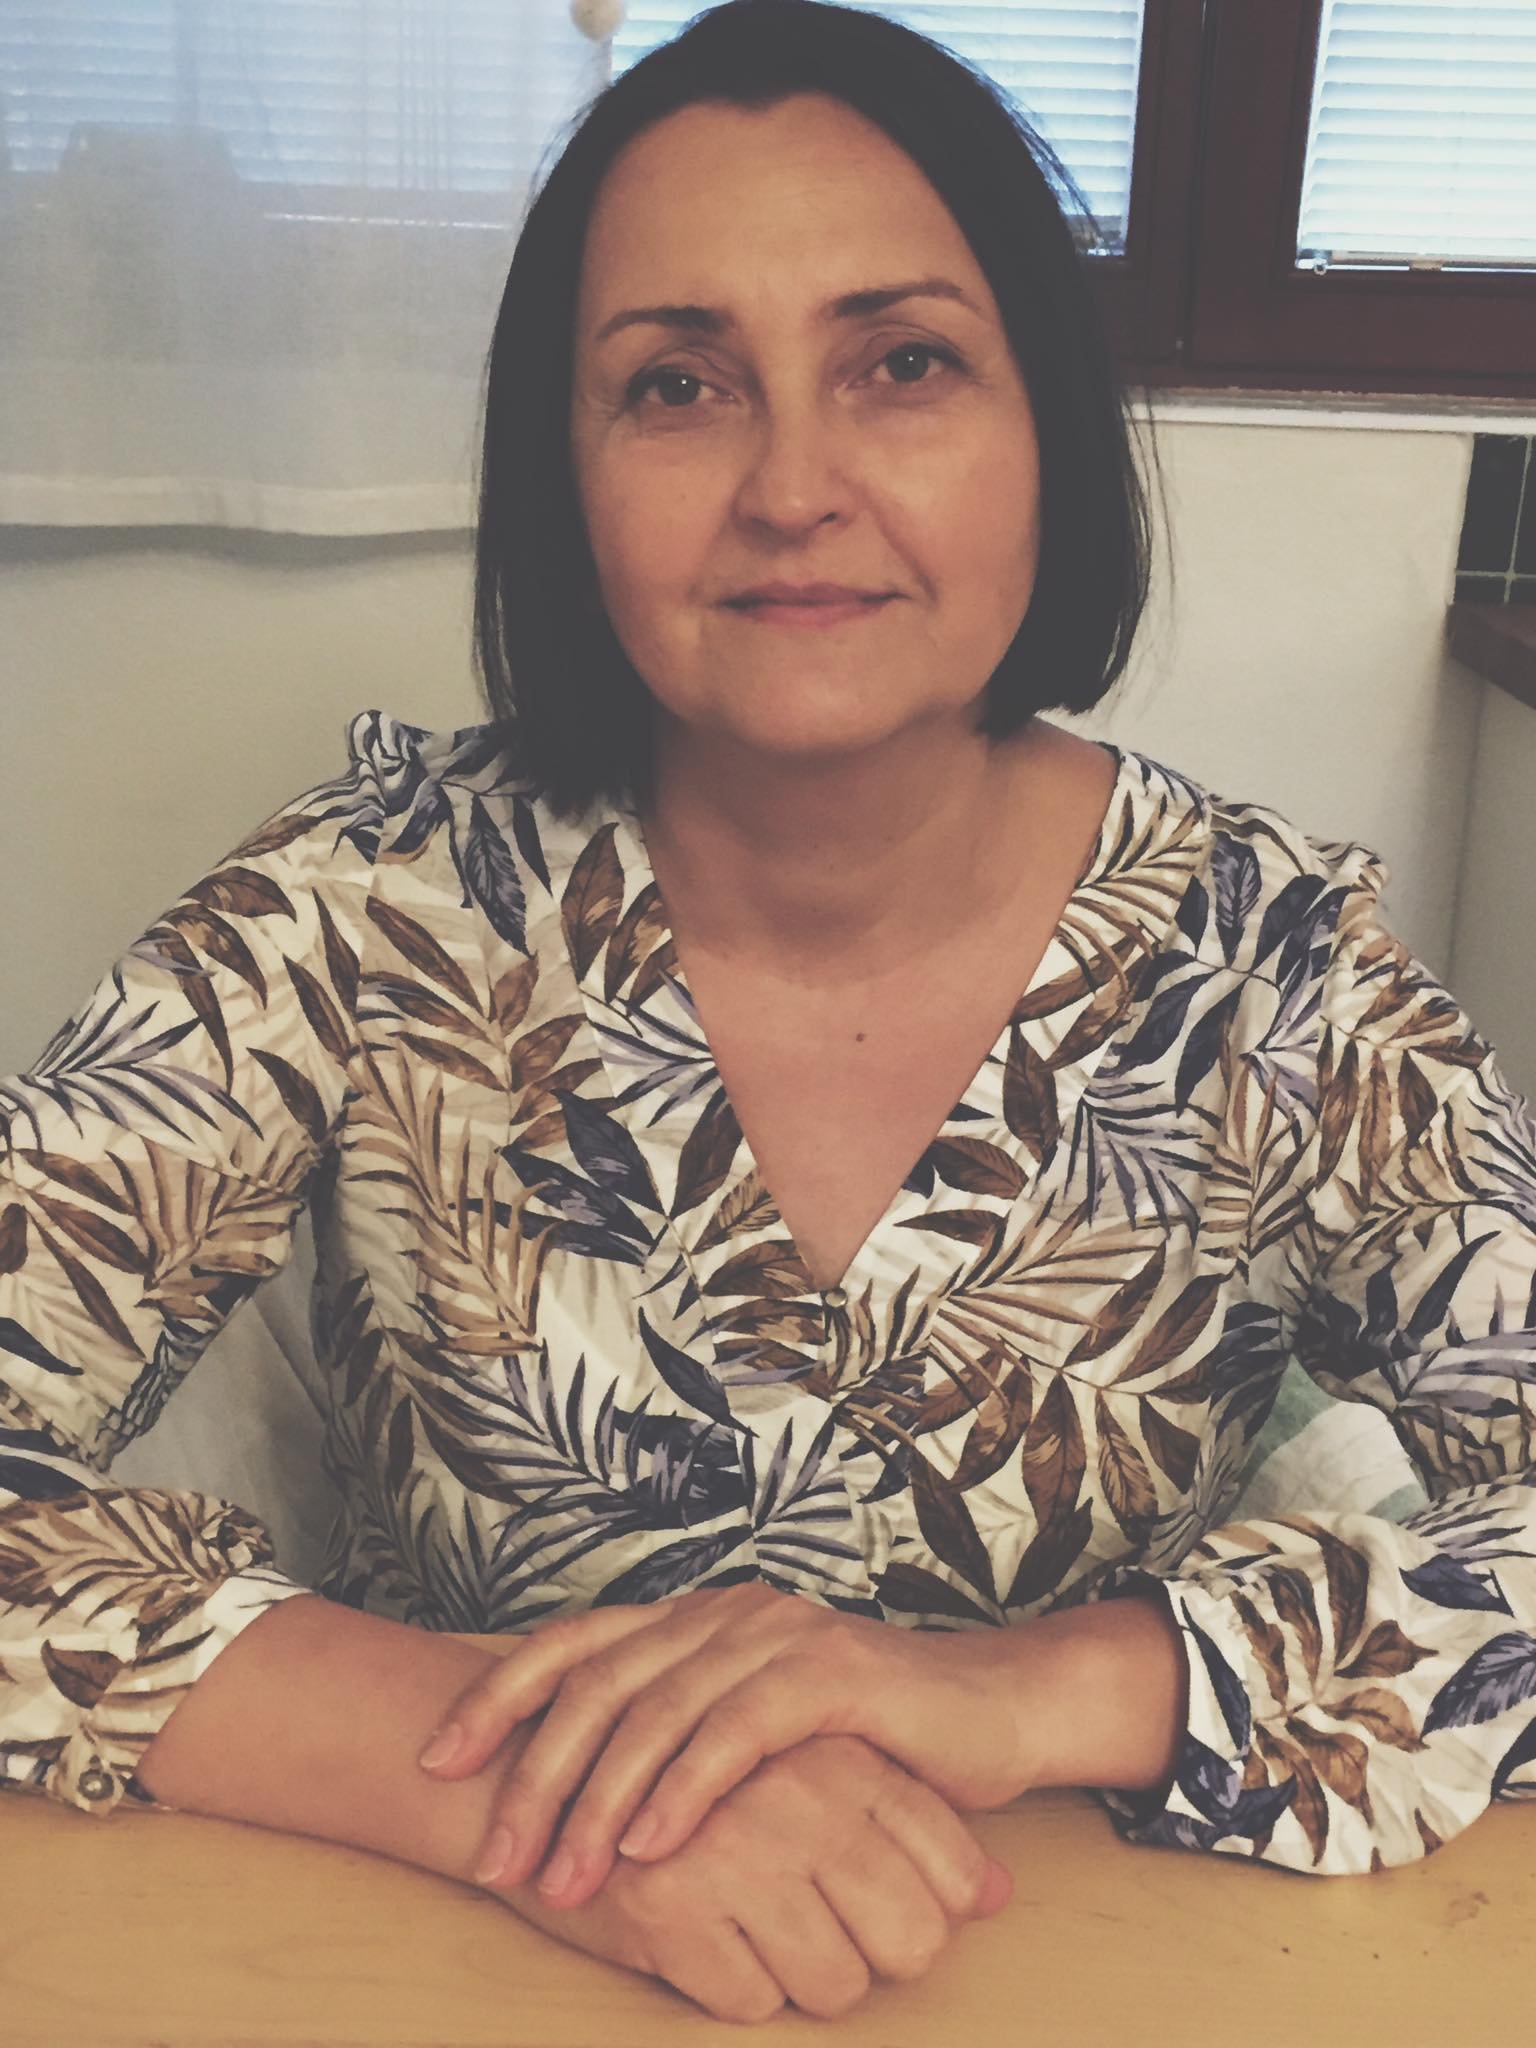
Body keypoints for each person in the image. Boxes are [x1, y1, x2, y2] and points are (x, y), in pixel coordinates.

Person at [3, 0, 1534, 2026]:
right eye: (677, 384)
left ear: (1047, 432)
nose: (795, 485)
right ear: (564, 476)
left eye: (903, 363)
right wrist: (527, 1795)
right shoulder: (358, 910)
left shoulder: (1279, 971)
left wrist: (1025, 1692)